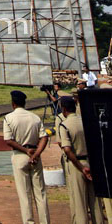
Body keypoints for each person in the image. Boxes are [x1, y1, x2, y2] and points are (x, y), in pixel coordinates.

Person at [3, 90, 50, 224]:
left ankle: (29, 222)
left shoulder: (9, 118)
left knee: (25, 195)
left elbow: (8, 140)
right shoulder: (35, 117)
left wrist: (25, 150)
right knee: (40, 194)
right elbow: (44, 137)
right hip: (35, 155)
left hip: (20, 155)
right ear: (24, 103)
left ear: (13, 104)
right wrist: (36, 153)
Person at [56, 95, 104, 224]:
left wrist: (82, 168)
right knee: (96, 202)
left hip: (76, 164)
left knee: (80, 203)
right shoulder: (87, 121)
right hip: (91, 162)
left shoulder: (64, 125)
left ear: (64, 109)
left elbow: (66, 149)